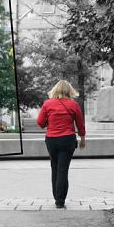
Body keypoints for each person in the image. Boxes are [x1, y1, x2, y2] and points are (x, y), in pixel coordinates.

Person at [36, 80, 86, 209]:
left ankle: (57, 198)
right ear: (69, 91)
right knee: (63, 169)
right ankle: (60, 200)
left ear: (55, 90)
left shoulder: (47, 104)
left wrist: (50, 123)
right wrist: (82, 138)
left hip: (51, 140)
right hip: (68, 140)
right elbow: (80, 124)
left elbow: (40, 123)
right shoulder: (73, 105)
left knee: (55, 167)